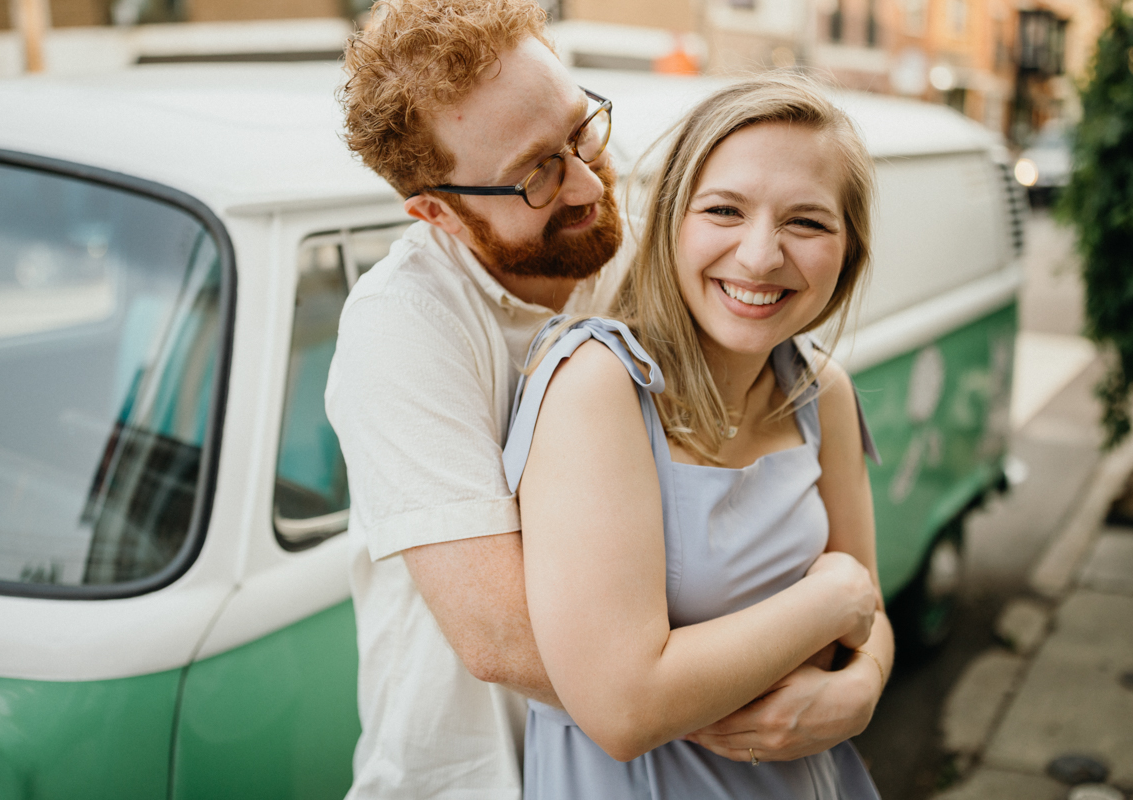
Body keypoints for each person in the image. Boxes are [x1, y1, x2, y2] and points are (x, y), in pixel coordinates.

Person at [327, 2, 886, 797]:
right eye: (535, 174)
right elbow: (501, 638)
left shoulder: (617, 241)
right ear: (438, 213)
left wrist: (858, 686)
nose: (589, 180)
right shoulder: (404, 326)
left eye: (582, 129)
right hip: (484, 771)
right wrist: (777, 678)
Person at [502, 73, 894, 798]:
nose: (758, 256)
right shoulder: (600, 386)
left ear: (848, 253)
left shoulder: (820, 391)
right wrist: (827, 604)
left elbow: (870, 603)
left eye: (806, 223)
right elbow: (622, 708)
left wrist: (862, 687)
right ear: (671, 219)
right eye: (724, 210)